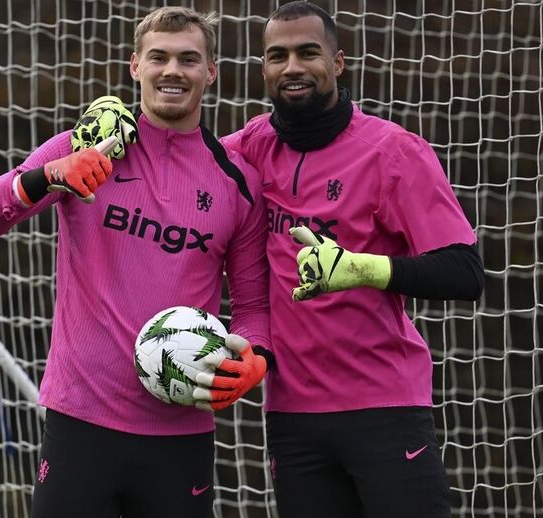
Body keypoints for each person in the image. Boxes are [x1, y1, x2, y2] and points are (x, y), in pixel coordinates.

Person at [76, 2, 484, 517]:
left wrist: (368, 268)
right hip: (292, 417)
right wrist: (114, 118)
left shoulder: (394, 152)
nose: (292, 66)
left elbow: (466, 272)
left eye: (308, 52)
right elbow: (176, 158)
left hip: (385, 407)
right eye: (277, 55)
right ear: (263, 69)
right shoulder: (250, 148)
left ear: (337, 62)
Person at [0, 7, 270, 518]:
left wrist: (254, 359)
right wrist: (48, 174)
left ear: (211, 71)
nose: (173, 71)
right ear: (134, 66)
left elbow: (255, 307)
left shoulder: (239, 183)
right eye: (159, 58)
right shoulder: (87, 150)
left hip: (181, 431)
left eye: (189, 59)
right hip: (81, 423)